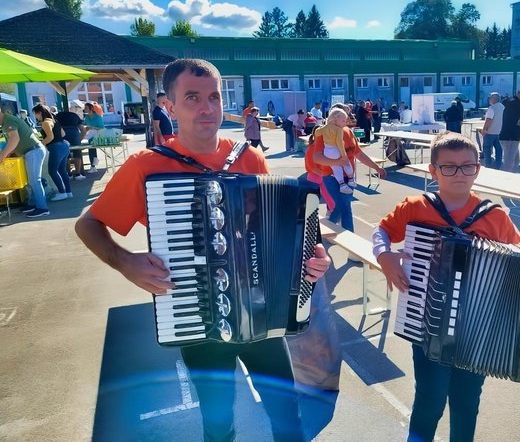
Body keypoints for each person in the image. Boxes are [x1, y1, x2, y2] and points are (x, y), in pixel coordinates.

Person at [74, 58, 330, 442]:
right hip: (195, 319)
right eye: (192, 97)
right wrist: (124, 261)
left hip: (261, 312)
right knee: (217, 421)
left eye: (214, 96)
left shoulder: (249, 157)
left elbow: (281, 224)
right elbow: (87, 225)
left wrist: (315, 254)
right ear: (171, 106)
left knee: (286, 414)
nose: (207, 107)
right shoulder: (147, 166)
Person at [372, 131, 520, 442]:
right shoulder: (415, 207)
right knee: (429, 401)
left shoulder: (496, 217)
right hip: (425, 323)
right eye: (448, 166)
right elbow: (381, 231)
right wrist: (385, 256)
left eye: (467, 166)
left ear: (478, 168)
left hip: (478, 331)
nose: (459, 173)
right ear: (433, 170)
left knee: (466, 402)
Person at [313, 104, 387, 231]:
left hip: (349, 177)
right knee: (345, 207)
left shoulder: (348, 132)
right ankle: (350, 238)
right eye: (344, 116)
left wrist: (376, 168)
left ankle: (324, 233)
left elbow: (358, 153)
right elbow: (317, 157)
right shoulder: (323, 132)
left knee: (340, 207)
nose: (347, 119)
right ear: (334, 117)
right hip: (331, 177)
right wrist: (337, 162)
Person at [0, 106, 49, 217]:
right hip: (31, 152)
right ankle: (32, 204)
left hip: (33, 151)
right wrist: (6, 153)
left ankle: (42, 208)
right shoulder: (7, 121)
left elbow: (14, 139)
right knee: (29, 181)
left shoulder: (8, 121)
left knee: (34, 180)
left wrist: (3, 154)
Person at [33, 104, 72, 201]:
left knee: (52, 171)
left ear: (40, 113)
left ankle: (62, 192)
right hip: (64, 146)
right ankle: (68, 192)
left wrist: (40, 144)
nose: (35, 116)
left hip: (55, 147)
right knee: (62, 170)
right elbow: (63, 134)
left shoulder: (45, 122)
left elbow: (50, 137)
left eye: (35, 114)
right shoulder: (54, 120)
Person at [317, 108, 356, 194]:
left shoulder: (324, 128)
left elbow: (317, 132)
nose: (345, 122)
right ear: (335, 119)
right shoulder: (339, 129)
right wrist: (343, 155)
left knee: (336, 168)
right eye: (343, 120)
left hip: (327, 151)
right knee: (346, 164)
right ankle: (351, 180)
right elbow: (339, 143)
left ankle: (342, 185)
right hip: (336, 150)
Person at [500, 86, 520, 172]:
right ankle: (504, 182)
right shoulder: (516, 103)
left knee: (515, 162)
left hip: (509, 137)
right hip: (510, 138)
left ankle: (510, 180)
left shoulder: (509, 100)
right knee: (509, 165)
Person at [304, 125, 335, 218]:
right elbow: (311, 167)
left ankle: (330, 216)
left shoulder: (327, 147)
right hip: (315, 179)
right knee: (312, 205)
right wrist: (325, 175)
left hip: (324, 177)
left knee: (332, 201)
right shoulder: (311, 148)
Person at [55, 105, 86, 178]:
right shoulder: (74, 115)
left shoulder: (58, 116)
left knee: (65, 155)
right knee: (77, 154)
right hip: (74, 134)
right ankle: (78, 174)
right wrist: (79, 140)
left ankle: (68, 174)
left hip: (63, 134)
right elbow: (83, 130)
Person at [481, 92, 504, 169]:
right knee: (499, 150)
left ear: (493, 99)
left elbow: (488, 120)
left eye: (490, 98)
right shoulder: (503, 108)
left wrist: (484, 130)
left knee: (487, 148)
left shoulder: (492, 108)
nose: (489, 100)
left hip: (490, 132)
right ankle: (498, 165)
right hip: (500, 132)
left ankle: (488, 165)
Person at [81, 102, 105, 173]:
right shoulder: (87, 117)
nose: (84, 109)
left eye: (86, 108)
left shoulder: (98, 117)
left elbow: (101, 128)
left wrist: (91, 127)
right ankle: (93, 165)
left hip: (98, 134)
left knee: (91, 146)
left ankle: (93, 165)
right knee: (89, 147)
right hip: (89, 135)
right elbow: (85, 124)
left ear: (91, 108)